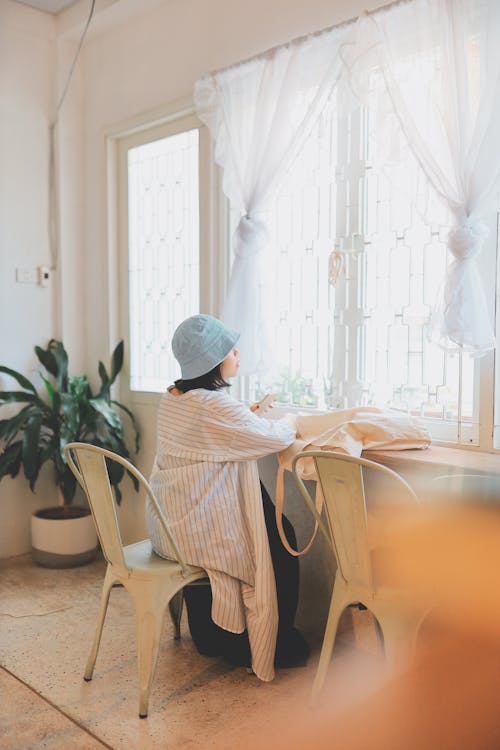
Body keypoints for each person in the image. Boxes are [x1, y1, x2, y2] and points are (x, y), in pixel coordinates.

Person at [146, 314, 309, 681]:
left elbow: (206, 434)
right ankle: (273, 642)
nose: (236, 352)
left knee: (264, 521)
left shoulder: (172, 397)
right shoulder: (214, 406)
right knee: (281, 535)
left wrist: (244, 417)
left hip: (169, 523)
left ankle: (213, 636)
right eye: (227, 348)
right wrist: (293, 420)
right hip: (194, 530)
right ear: (211, 360)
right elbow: (275, 439)